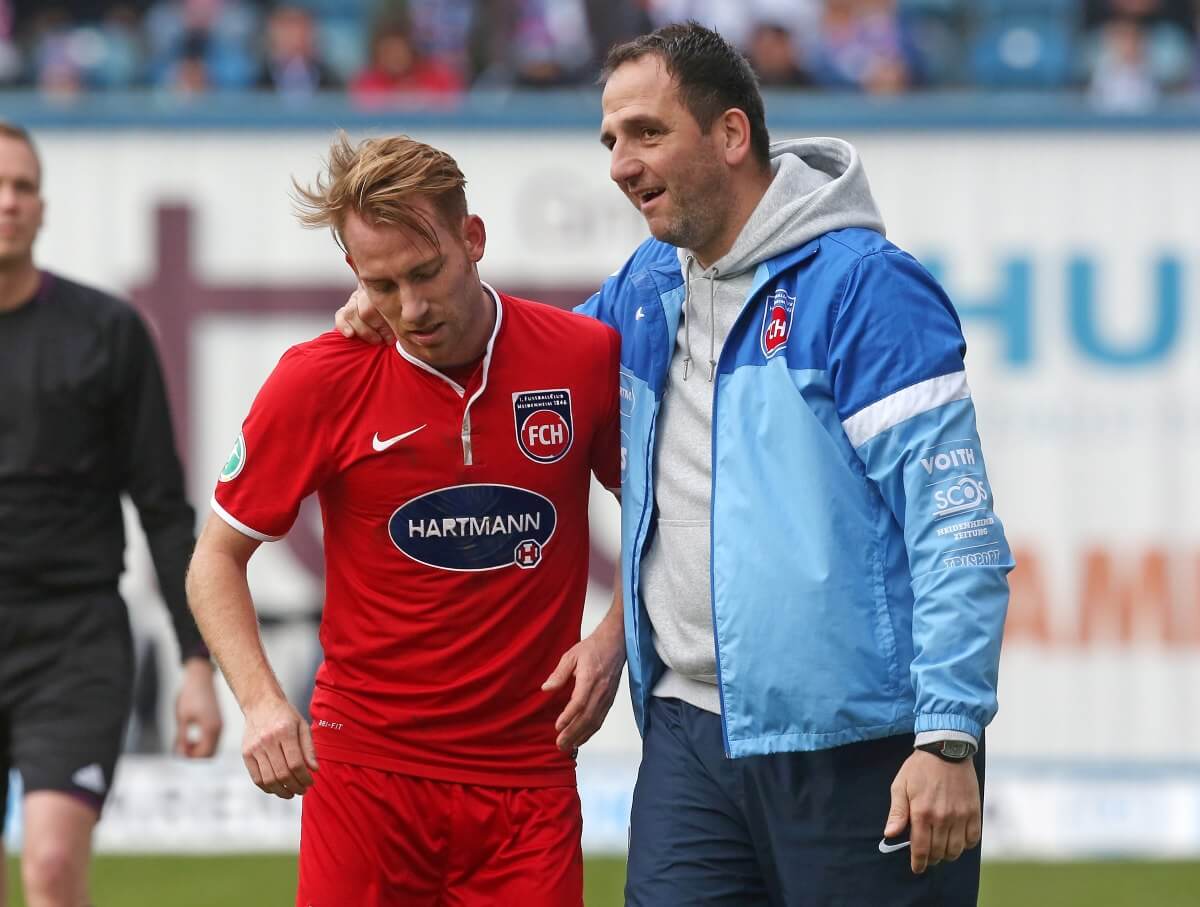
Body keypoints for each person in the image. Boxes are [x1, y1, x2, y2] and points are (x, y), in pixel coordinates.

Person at [338, 21, 1014, 906]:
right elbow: (515, 355)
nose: (620, 162)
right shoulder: (651, 282)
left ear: (731, 135)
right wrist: (400, 297)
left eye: (647, 133)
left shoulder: (866, 287)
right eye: (611, 139)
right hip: (689, 741)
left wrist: (949, 737)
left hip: (858, 745)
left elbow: (955, 524)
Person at [185, 133, 625, 907]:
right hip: (365, 777)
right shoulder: (320, 378)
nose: (411, 309)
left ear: (474, 238)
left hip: (527, 778)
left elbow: (674, 518)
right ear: (353, 275)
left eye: (426, 273)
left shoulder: (582, 356)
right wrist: (259, 703)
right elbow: (214, 559)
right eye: (382, 285)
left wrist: (612, 636)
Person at [0, 122, 222, 907]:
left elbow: (163, 507)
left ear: (43, 206)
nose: (8, 201)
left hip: (73, 640)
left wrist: (197, 661)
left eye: (23, 186)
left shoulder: (107, 331)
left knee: (53, 869)